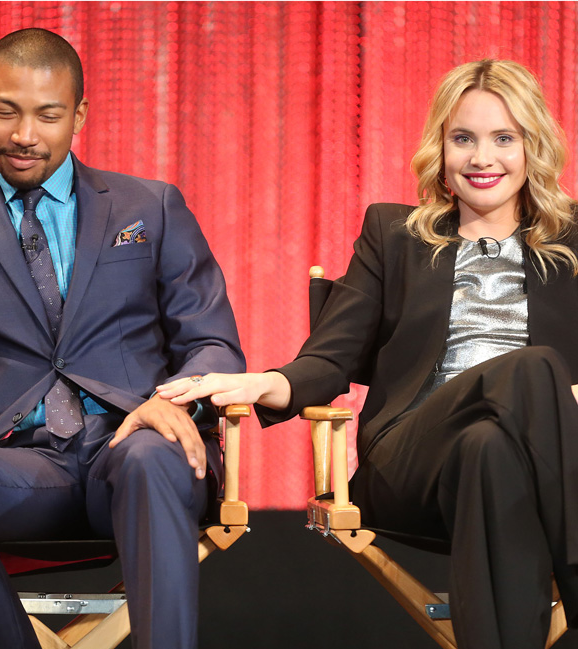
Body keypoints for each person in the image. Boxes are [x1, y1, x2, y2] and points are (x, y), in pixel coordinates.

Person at [158, 59, 578, 649]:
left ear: (534, 146)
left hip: (523, 464)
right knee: (534, 370)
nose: (483, 158)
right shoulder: (395, 234)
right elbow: (329, 360)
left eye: (504, 139)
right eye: (464, 139)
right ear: (441, 147)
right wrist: (264, 382)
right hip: (412, 453)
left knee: (492, 451)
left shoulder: (573, 241)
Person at [0, 28, 245, 649]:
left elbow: (213, 345)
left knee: (151, 454)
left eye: (48, 115)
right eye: (7, 110)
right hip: (16, 464)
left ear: (80, 115)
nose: (25, 135)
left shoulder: (152, 206)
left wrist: (170, 403)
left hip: (134, 446)